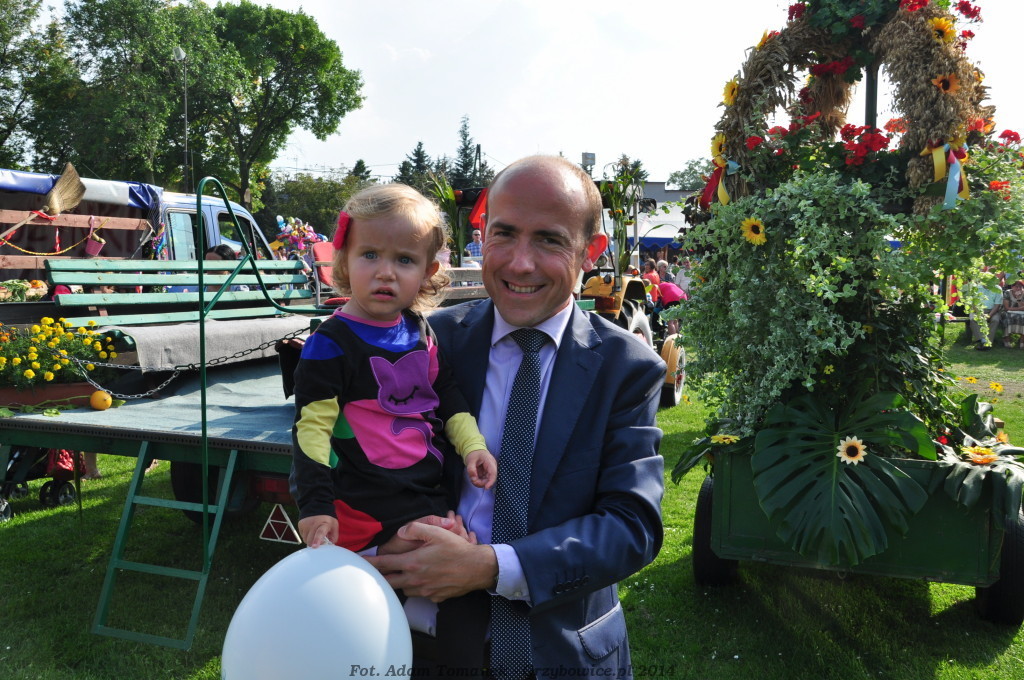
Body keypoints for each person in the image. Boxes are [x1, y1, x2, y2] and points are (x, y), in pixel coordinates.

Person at [366, 155, 665, 680]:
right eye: (504, 234)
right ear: (483, 234)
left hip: (563, 655)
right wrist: (384, 540)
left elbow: (631, 525)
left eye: (549, 240)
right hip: (424, 647)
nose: (520, 264)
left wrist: (489, 567)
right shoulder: (428, 342)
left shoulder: (627, 369)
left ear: (591, 251)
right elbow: (353, 456)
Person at [291, 184, 497, 553]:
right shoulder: (331, 343)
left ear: (427, 272)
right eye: (370, 254)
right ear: (344, 259)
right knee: (432, 559)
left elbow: (448, 398)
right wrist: (316, 505)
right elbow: (312, 430)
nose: (385, 272)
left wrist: (473, 447)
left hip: (426, 494)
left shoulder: (421, 331)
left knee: (452, 562)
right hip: (364, 507)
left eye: (404, 260)